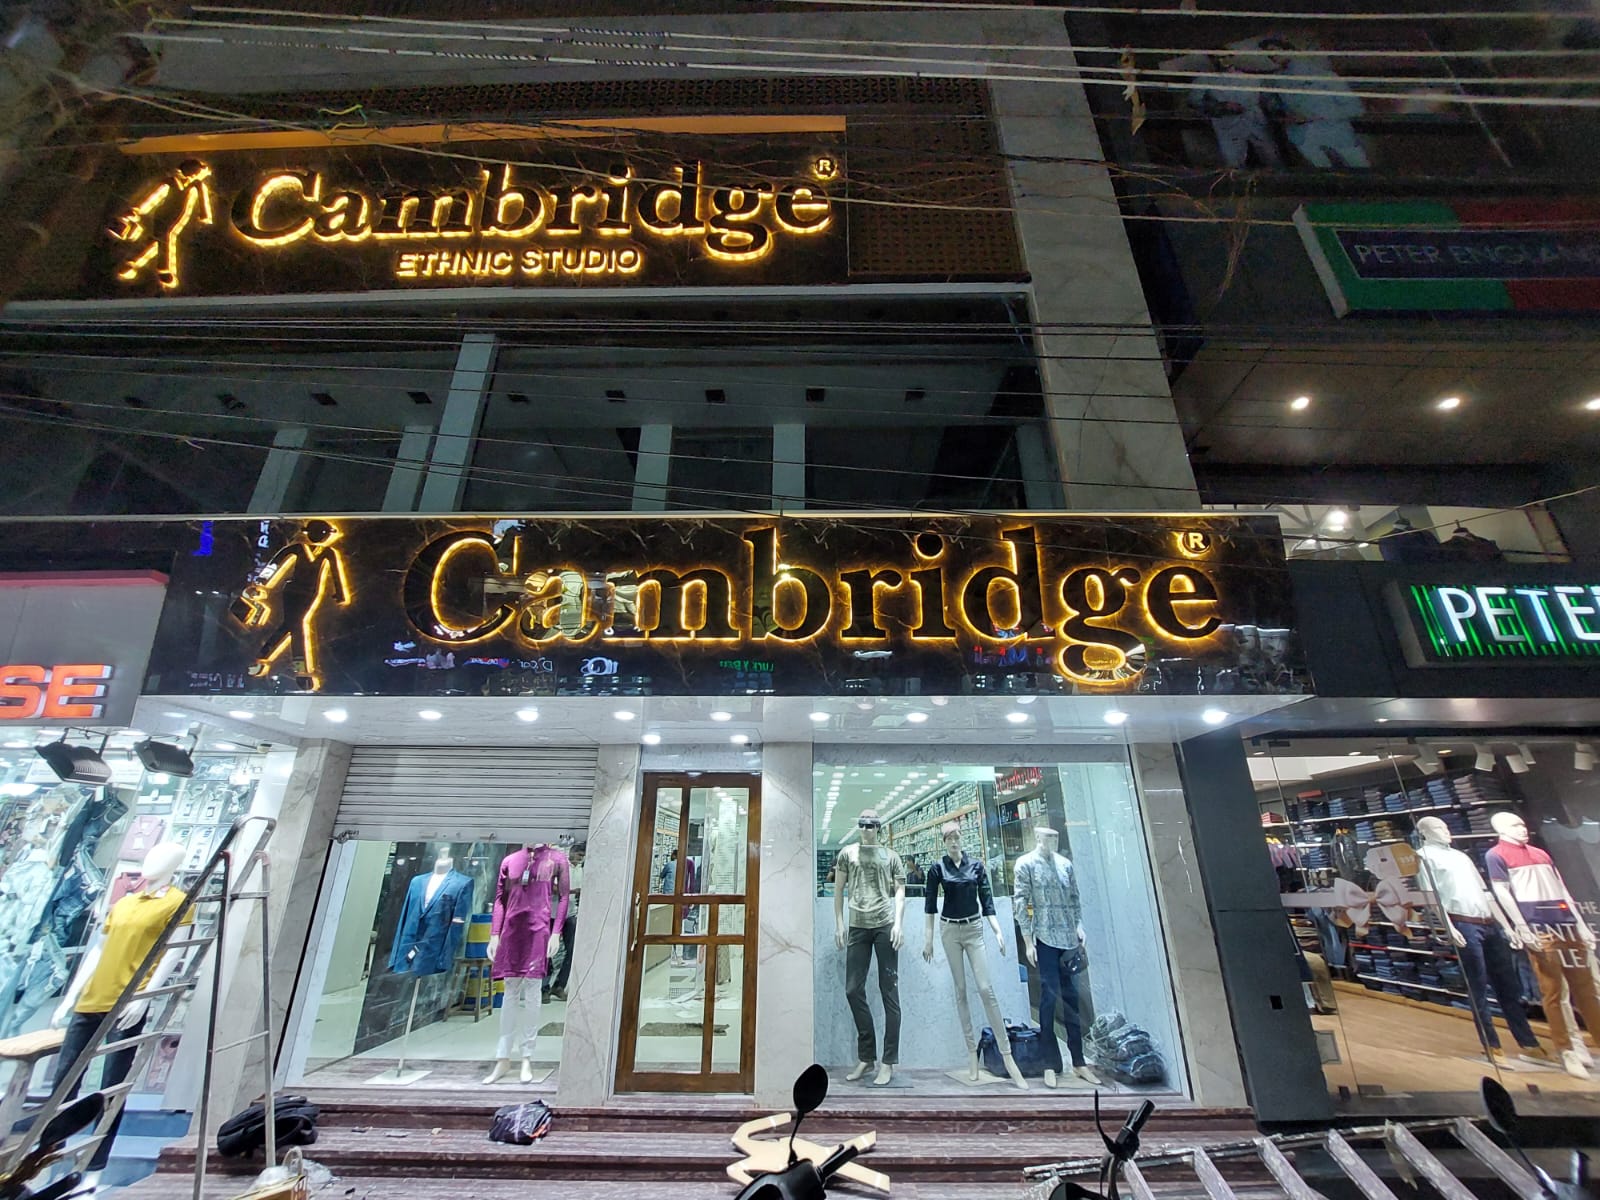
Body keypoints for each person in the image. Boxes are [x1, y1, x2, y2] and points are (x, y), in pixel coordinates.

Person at [1264, 39, 1369, 168]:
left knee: (1361, 170)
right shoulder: (1277, 81)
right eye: (1268, 54)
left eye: (1273, 51)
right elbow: (1275, 105)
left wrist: (1314, 116)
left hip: (1338, 135)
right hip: (1302, 138)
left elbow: (1356, 108)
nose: (1272, 56)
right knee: (1323, 175)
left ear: (1290, 50)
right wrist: (1284, 116)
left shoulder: (1325, 76)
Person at [1194, 58, 1281, 168]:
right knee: (1233, 162)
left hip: (1255, 120)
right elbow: (1194, 101)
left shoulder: (1251, 73)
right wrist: (1222, 106)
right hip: (1227, 124)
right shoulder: (1204, 79)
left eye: (1225, 56)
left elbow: (1268, 98)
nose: (1221, 60)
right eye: (1216, 57)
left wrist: (1279, 112)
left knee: (1271, 156)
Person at [544, 841, 584, 1002]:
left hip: (570, 914)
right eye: (578, 855)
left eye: (582, 856)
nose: (580, 858)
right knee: (547, 950)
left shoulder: (580, 869)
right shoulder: (559, 866)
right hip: (552, 914)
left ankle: (559, 985)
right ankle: (544, 987)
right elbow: (552, 888)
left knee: (573, 949)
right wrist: (572, 891)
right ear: (571, 852)